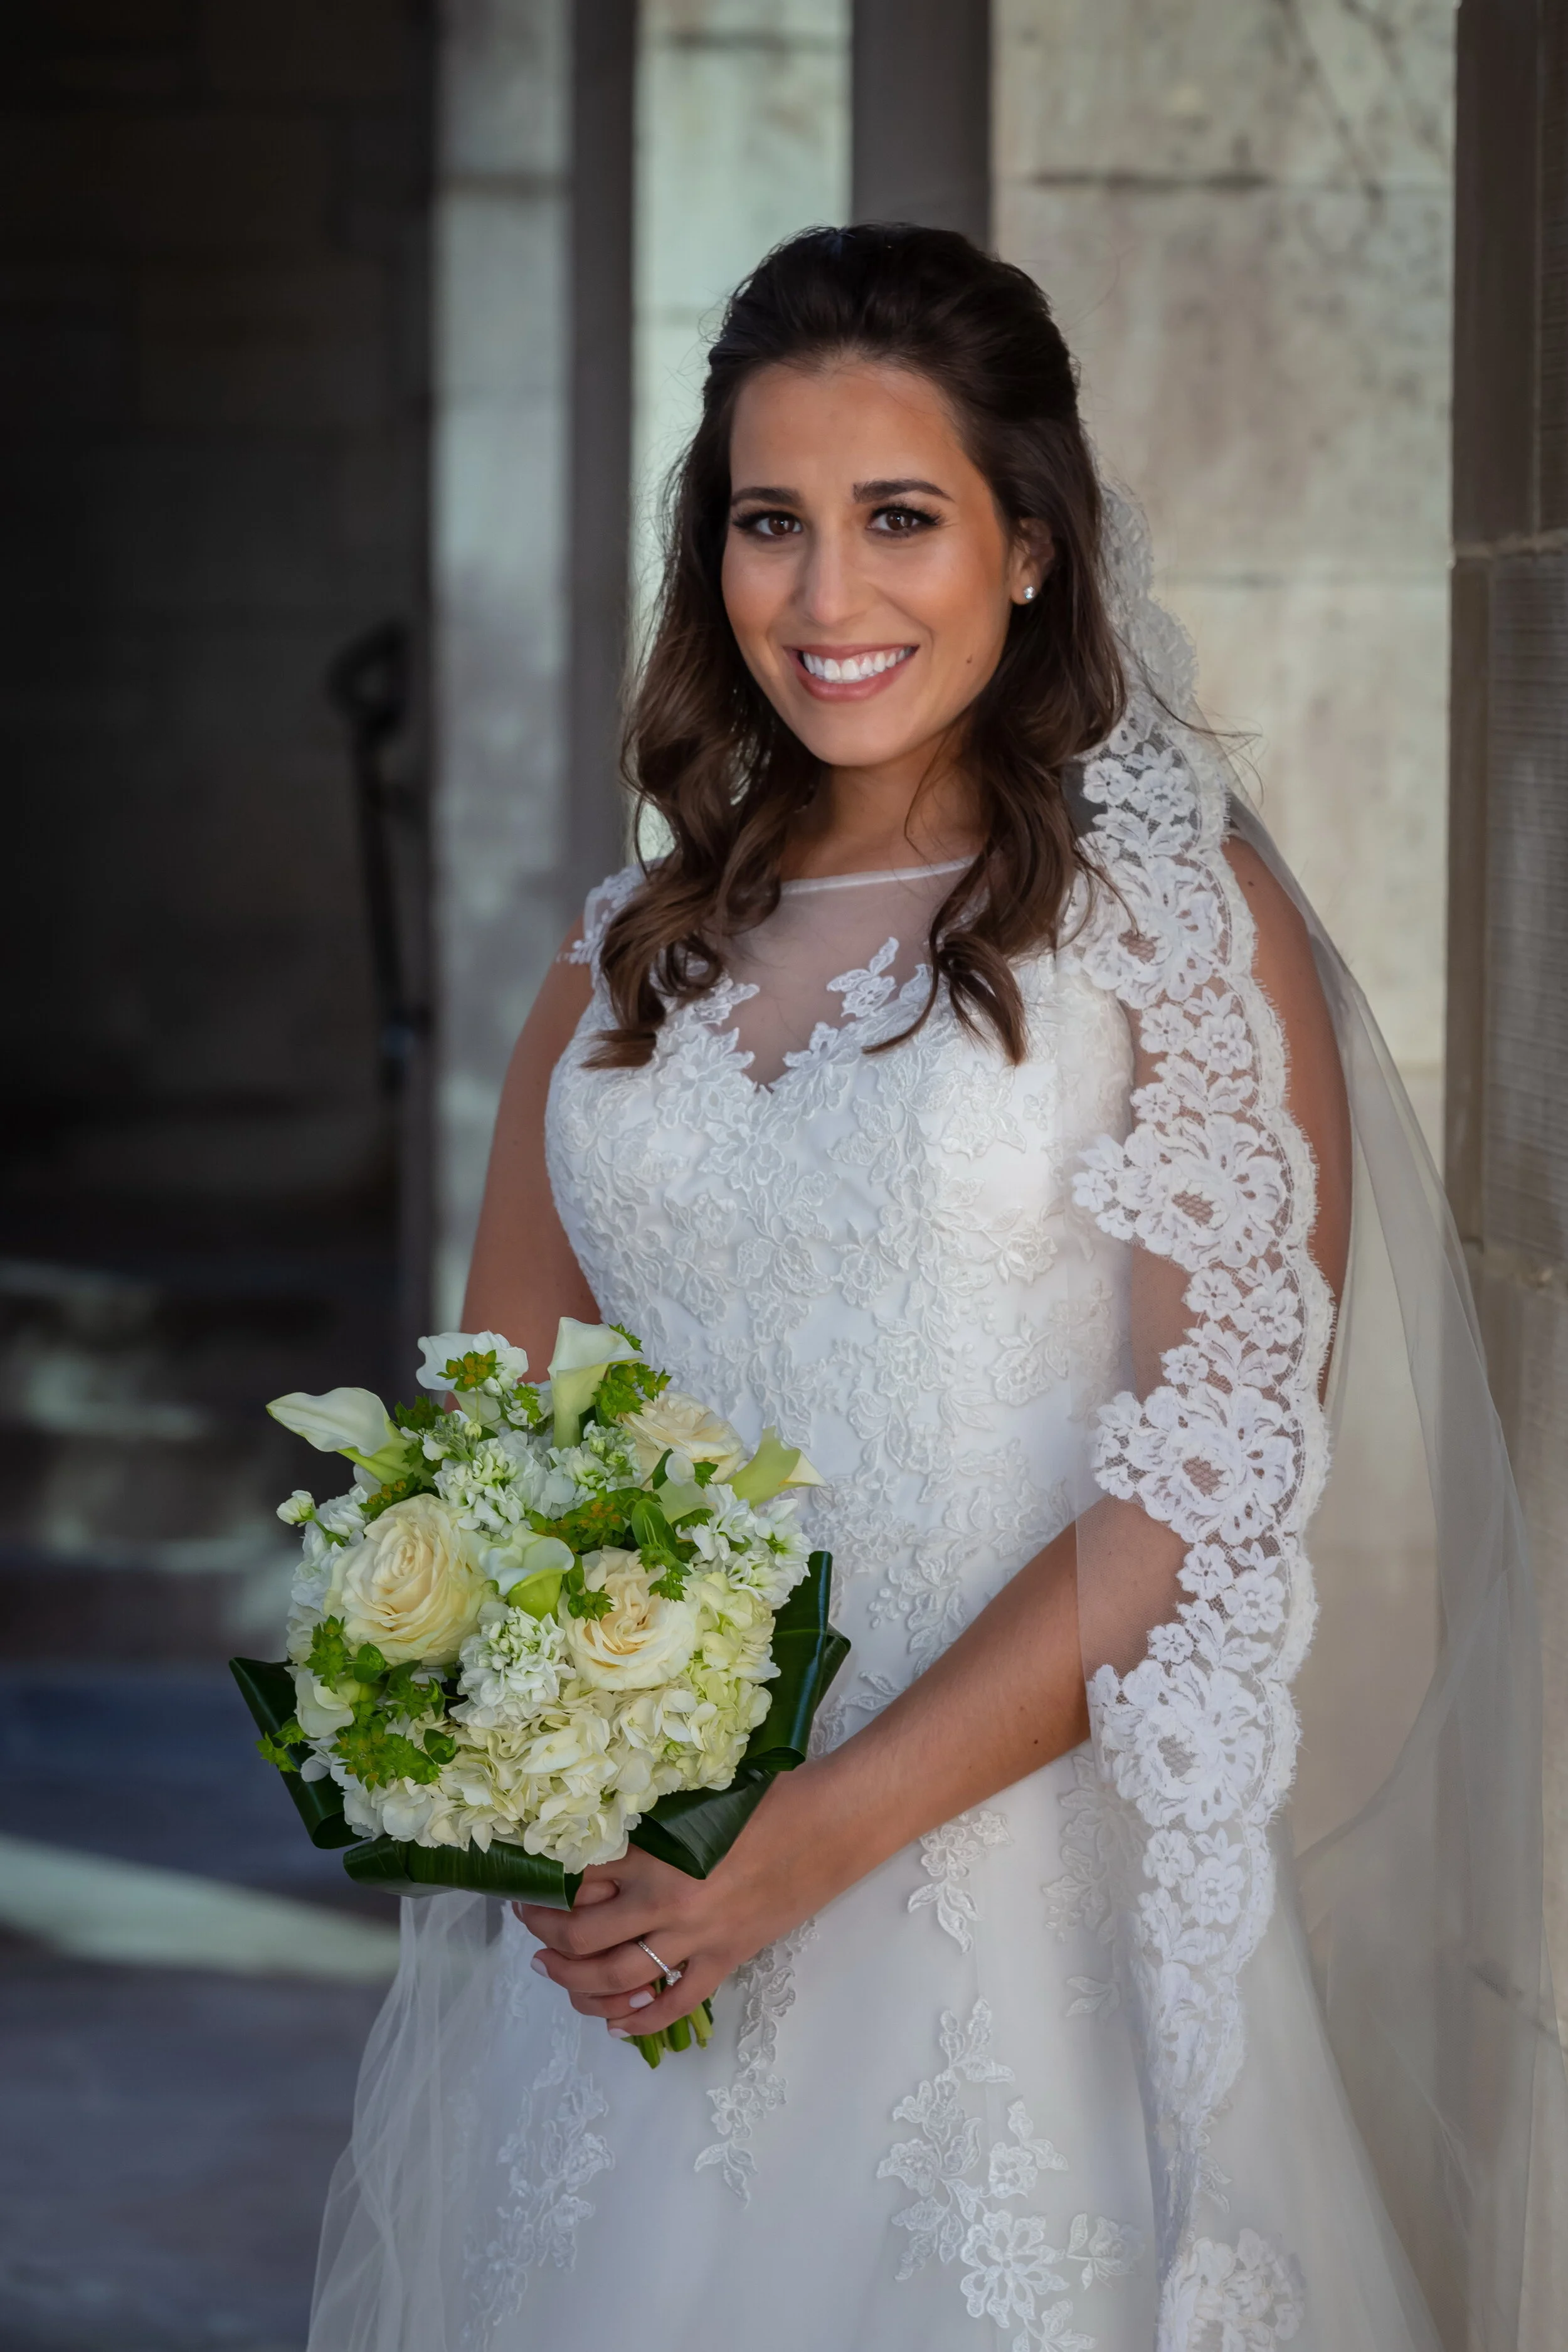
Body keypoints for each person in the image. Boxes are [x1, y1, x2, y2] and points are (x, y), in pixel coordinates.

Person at [309, 226, 1563, 2352]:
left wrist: (804, 1840)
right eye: (766, 523)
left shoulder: (1172, 924)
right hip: (656, 1906)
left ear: (1032, 550)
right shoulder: (622, 957)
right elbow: (486, 1456)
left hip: (1007, 1911)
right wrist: (559, 1807)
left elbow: (1202, 1477)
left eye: (900, 519)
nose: (824, 599)